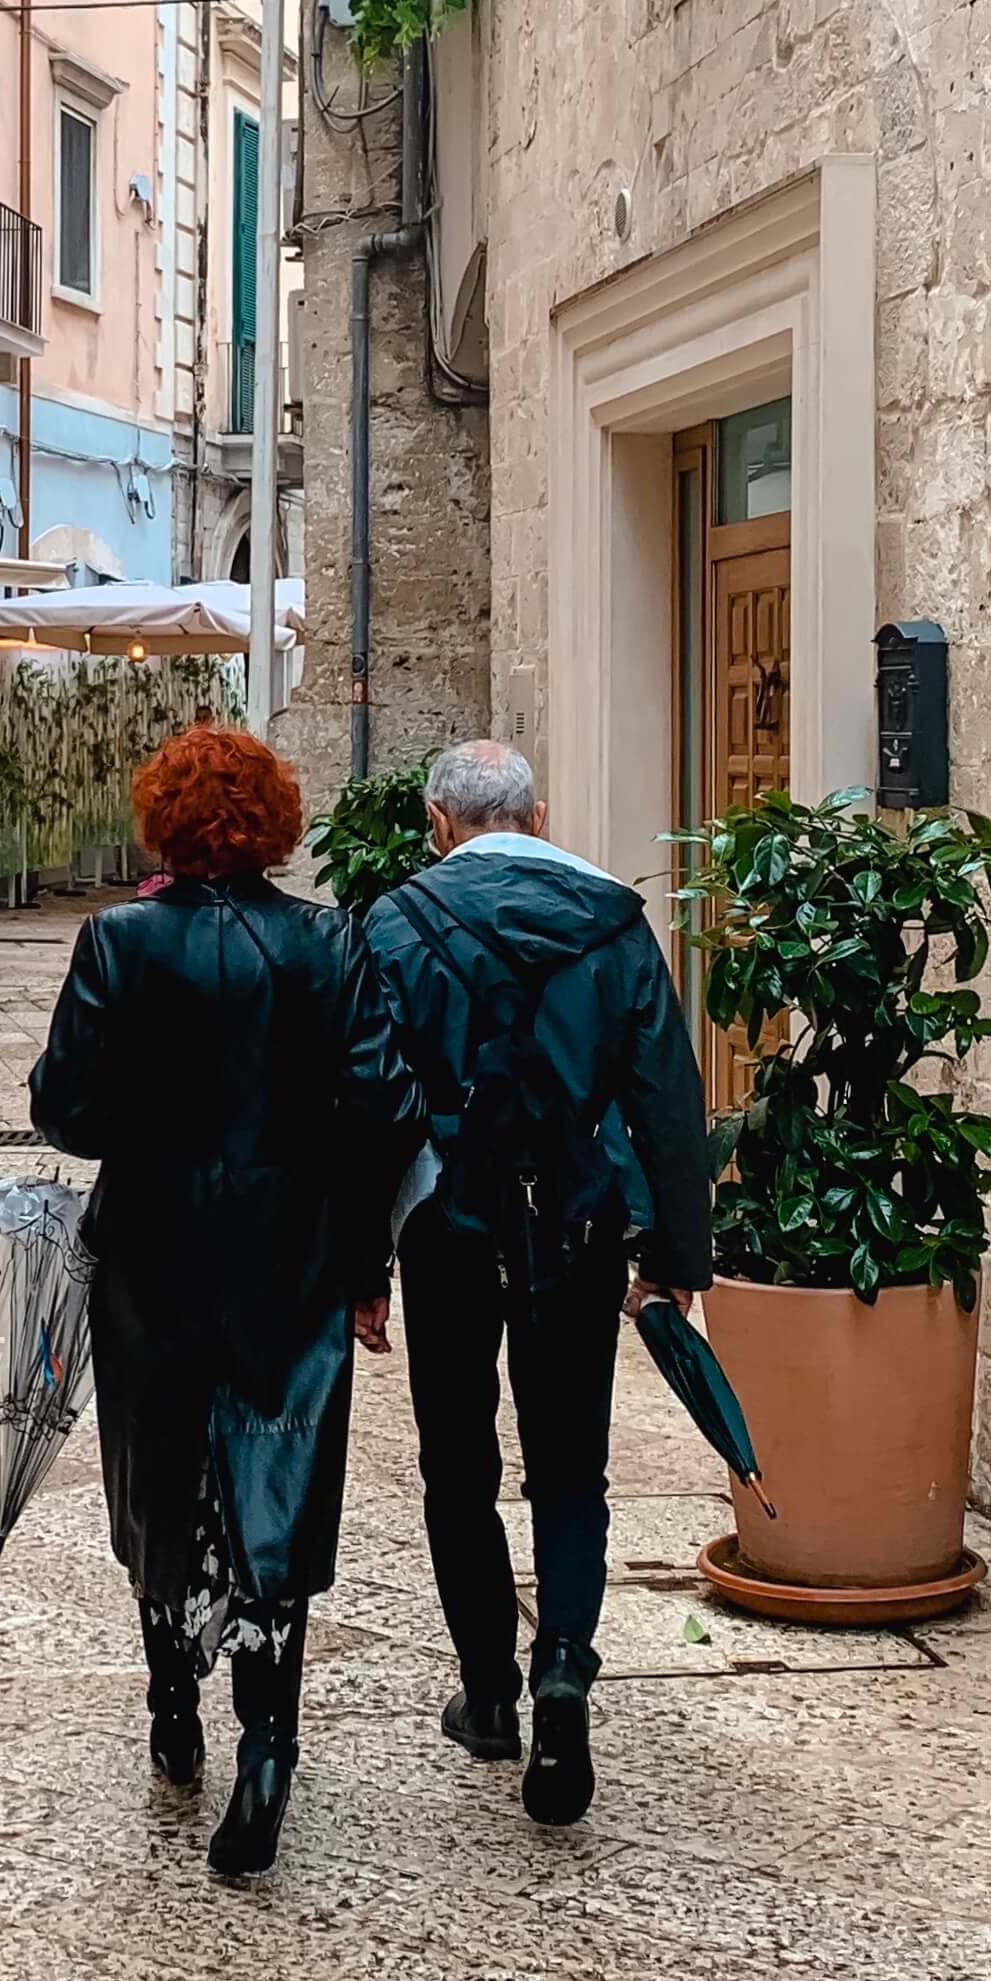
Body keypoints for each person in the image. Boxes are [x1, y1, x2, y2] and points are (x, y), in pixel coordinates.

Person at [30, 726, 422, 1881]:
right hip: (288, 1255)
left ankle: (172, 1700)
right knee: (276, 1479)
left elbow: (67, 1113)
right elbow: (387, 1102)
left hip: (151, 1253)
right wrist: (359, 1247)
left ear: (162, 819)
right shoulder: (326, 940)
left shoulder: (116, 942)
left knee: (158, 1469)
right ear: (274, 824)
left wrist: (148, 1111)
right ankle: (268, 1744)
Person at [359, 739, 712, 1828]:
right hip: (577, 1216)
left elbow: (370, 1103)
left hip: (446, 1220)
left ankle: (488, 1692)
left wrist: (359, 1262)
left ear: (438, 822)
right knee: (569, 1463)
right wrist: (676, 1256)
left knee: (456, 1462)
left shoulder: (393, 923)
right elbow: (666, 1095)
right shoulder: (612, 920)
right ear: (539, 815)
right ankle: (562, 1665)